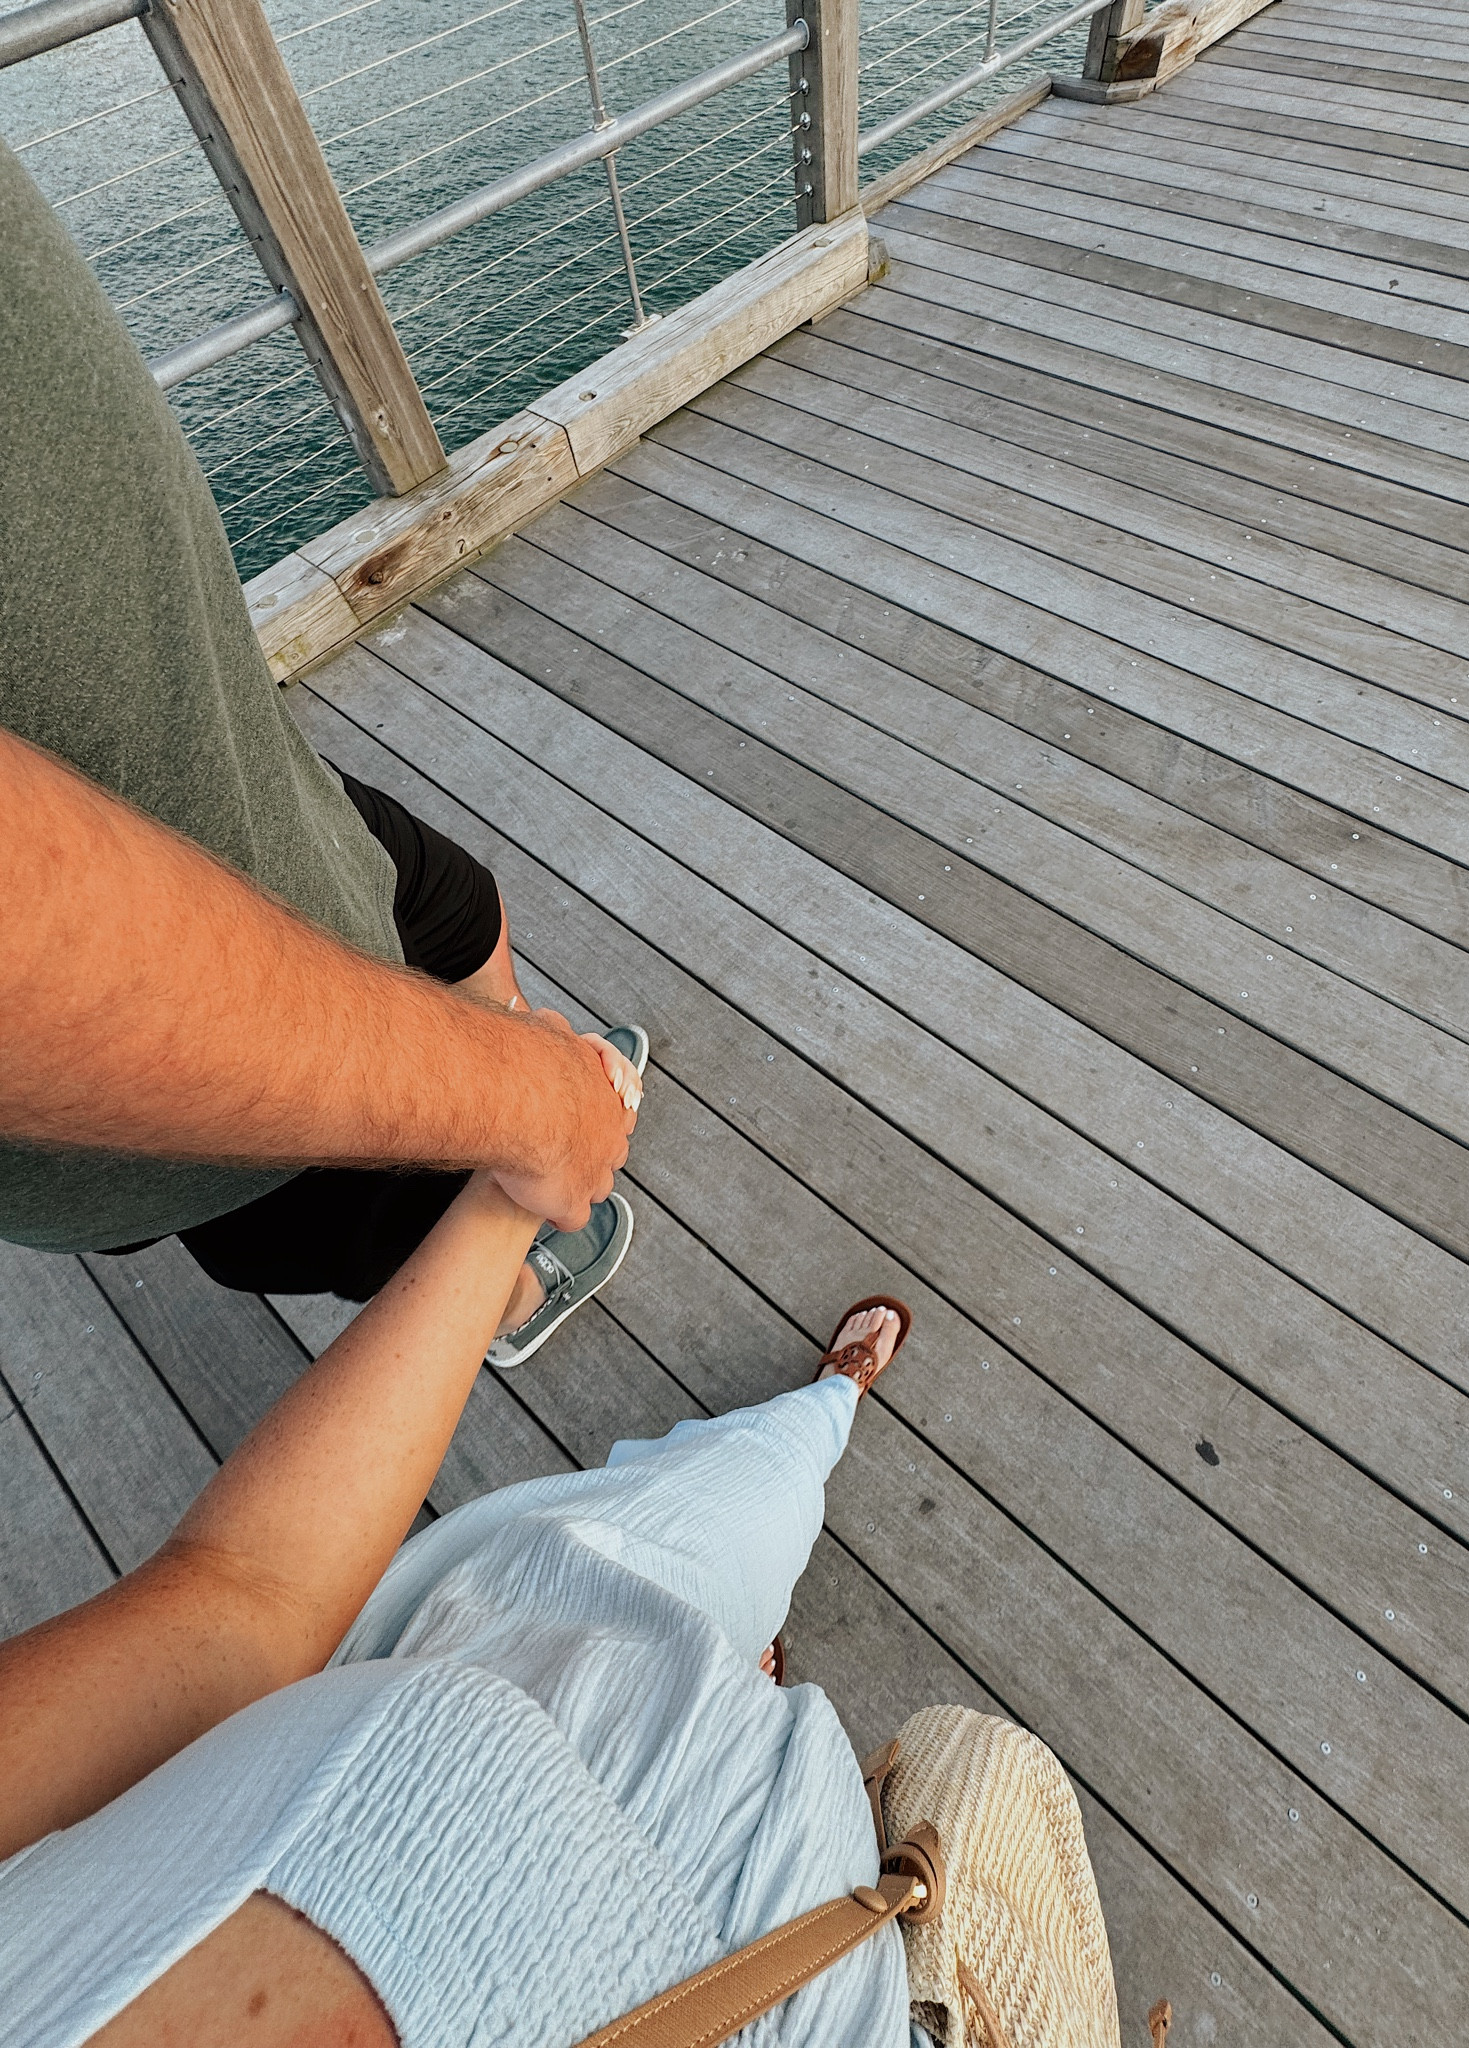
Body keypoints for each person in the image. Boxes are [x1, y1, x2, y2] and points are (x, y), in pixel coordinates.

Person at [0, 1157, 915, 2048]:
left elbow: (235, 1599)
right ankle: (817, 1433)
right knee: (741, 1513)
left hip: (516, 1657)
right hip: (807, 1934)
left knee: (750, 1491)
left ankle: (823, 1415)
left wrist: (509, 1189)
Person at [0, 139, 638, 1359]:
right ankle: (518, 1292)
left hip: (239, 773)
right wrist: (536, 1105)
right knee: (370, 1223)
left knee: (459, 901)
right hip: (171, 1038)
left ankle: (518, 1114)